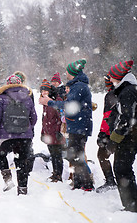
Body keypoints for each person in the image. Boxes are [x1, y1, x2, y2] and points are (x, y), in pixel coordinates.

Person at [39, 59, 94, 191]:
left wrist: (49, 102)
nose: (66, 74)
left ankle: (86, 185)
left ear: (73, 73)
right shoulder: (77, 85)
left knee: (75, 155)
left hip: (79, 126)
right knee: (74, 155)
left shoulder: (79, 86)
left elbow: (69, 105)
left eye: (67, 72)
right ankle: (79, 183)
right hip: (76, 125)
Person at [0, 75, 37, 194]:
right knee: (22, 161)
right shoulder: (27, 98)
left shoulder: (1, 98)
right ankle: (22, 189)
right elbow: (34, 118)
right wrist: (27, 128)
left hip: (6, 136)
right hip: (24, 136)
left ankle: (8, 179)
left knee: (0, 155)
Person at [107, 60, 137, 212]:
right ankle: (131, 203)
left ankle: (131, 206)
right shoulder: (125, 90)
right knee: (122, 168)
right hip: (128, 136)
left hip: (129, 137)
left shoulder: (128, 92)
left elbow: (127, 119)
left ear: (118, 77)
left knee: (122, 168)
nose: (110, 80)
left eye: (112, 77)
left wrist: (115, 138)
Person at [95, 74, 118, 193]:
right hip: (120, 131)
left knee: (102, 155)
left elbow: (107, 117)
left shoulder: (111, 95)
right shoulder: (121, 92)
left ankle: (111, 181)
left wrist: (103, 133)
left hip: (112, 132)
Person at [39, 79, 64, 182]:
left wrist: (59, 132)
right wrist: (42, 132)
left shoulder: (56, 101)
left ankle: (59, 175)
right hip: (48, 133)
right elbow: (44, 119)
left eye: (45, 91)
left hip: (56, 133)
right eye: (42, 91)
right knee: (53, 155)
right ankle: (55, 173)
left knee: (57, 155)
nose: (43, 93)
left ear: (50, 91)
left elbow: (60, 118)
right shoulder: (45, 103)